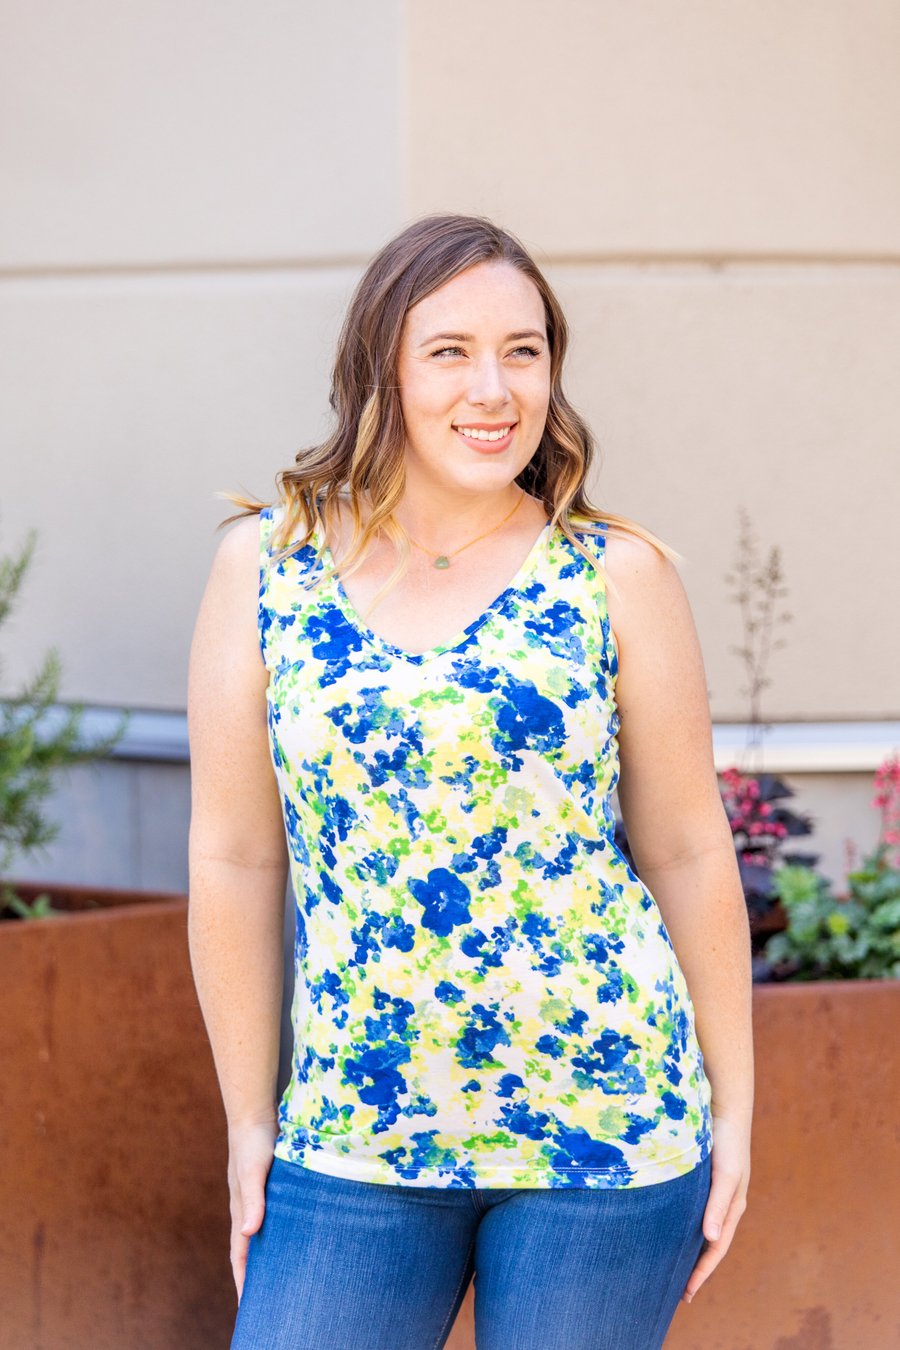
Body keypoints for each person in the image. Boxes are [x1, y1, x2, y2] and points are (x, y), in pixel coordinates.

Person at [187, 213, 753, 1350]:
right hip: (354, 1135)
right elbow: (237, 857)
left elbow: (689, 850)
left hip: (605, 1132)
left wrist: (736, 1107)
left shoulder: (617, 574)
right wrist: (251, 1121)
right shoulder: (268, 566)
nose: (493, 390)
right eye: (449, 351)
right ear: (381, 370)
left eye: (523, 352)